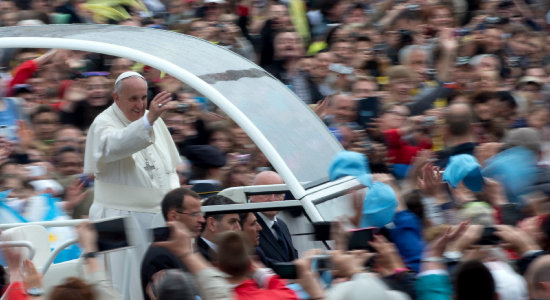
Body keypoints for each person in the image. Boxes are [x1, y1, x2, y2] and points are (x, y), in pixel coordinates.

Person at [84, 71, 181, 298]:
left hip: (159, 217)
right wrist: (148, 122)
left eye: (143, 98)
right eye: (133, 99)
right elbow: (115, 145)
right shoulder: (103, 123)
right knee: (124, 285)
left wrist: (174, 198)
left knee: (158, 282)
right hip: (119, 218)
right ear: (117, 99)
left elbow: (169, 168)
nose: (140, 105)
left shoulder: (152, 118)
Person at [141, 188, 205, 300]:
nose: (202, 220)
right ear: (174, 216)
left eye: (201, 214)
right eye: (195, 214)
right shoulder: (161, 256)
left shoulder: (195, 247)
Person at [249, 171, 298, 266]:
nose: (272, 199)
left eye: (277, 194)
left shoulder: (281, 225)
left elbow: (293, 258)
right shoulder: (248, 227)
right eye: (266, 193)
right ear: (252, 195)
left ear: (284, 196)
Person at [197, 195, 241, 262]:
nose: (239, 228)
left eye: (238, 222)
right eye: (232, 222)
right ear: (212, 224)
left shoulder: (231, 253)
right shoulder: (199, 257)